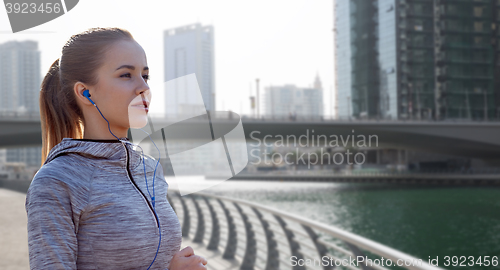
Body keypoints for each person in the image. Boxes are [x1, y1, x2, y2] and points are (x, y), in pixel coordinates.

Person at [25, 27, 208, 270]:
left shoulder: (150, 168)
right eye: (126, 75)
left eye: (145, 76)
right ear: (85, 92)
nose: (144, 87)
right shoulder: (57, 181)